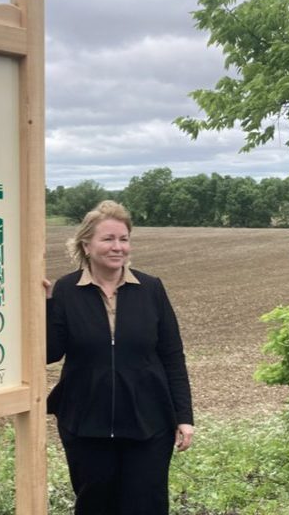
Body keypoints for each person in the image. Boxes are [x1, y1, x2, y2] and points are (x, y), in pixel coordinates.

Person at [44, 200, 194, 515]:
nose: (118, 247)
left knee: (146, 506)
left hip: (149, 423)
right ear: (87, 243)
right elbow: (50, 352)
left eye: (123, 239)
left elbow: (172, 356)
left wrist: (184, 416)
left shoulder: (150, 288)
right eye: (108, 239)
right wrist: (43, 306)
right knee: (95, 505)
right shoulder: (67, 290)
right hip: (85, 424)